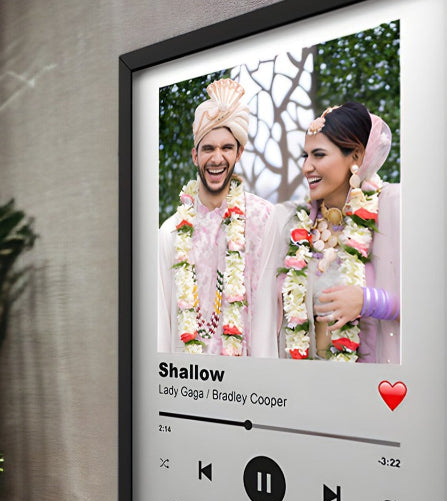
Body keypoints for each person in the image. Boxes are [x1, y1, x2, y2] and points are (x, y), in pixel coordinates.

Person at [158, 78, 276, 356]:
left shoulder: (263, 219)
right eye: (208, 148)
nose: (217, 158)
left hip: (251, 386)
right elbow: (160, 326)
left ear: (239, 153)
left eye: (227, 148)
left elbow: (272, 315)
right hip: (190, 385)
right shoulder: (171, 232)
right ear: (194, 156)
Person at [277, 102, 399, 363]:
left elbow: (438, 300)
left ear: (355, 156)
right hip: (307, 386)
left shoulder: (392, 206)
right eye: (305, 156)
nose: (306, 167)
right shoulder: (298, 224)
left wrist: (369, 301)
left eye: (318, 155)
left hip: (366, 387)